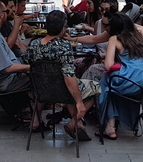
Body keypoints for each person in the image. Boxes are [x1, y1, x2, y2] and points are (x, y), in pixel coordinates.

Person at [22, 10, 99, 141]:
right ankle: (74, 122)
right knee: (95, 87)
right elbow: (69, 77)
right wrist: (79, 102)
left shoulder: (34, 44)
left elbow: (25, 61)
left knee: (52, 82)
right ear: (63, 29)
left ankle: (35, 121)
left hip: (40, 89)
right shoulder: (64, 46)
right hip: (61, 91)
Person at [98, 13, 143, 139]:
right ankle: (120, 122)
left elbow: (108, 65)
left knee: (105, 81)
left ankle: (110, 126)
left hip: (134, 84)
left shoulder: (114, 39)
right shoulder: (139, 36)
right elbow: (140, 28)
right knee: (111, 83)